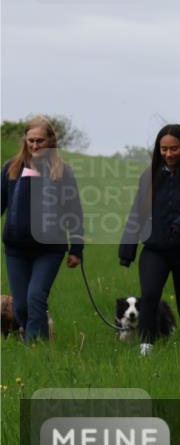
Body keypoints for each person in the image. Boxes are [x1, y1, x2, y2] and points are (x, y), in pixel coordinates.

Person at [119, 124, 180, 356]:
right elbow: (137, 211)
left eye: (174, 149)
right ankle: (146, 349)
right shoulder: (149, 176)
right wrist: (127, 246)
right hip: (155, 251)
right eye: (163, 149)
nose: (168, 154)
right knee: (149, 296)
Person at [1, 116, 84, 342]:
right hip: (16, 250)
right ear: (25, 141)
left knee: (35, 297)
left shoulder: (62, 173)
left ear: (51, 141)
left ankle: (34, 349)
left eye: (40, 141)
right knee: (20, 306)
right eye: (31, 141)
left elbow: (73, 212)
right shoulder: (11, 169)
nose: (35, 146)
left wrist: (77, 248)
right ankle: (45, 340)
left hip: (49, 249)